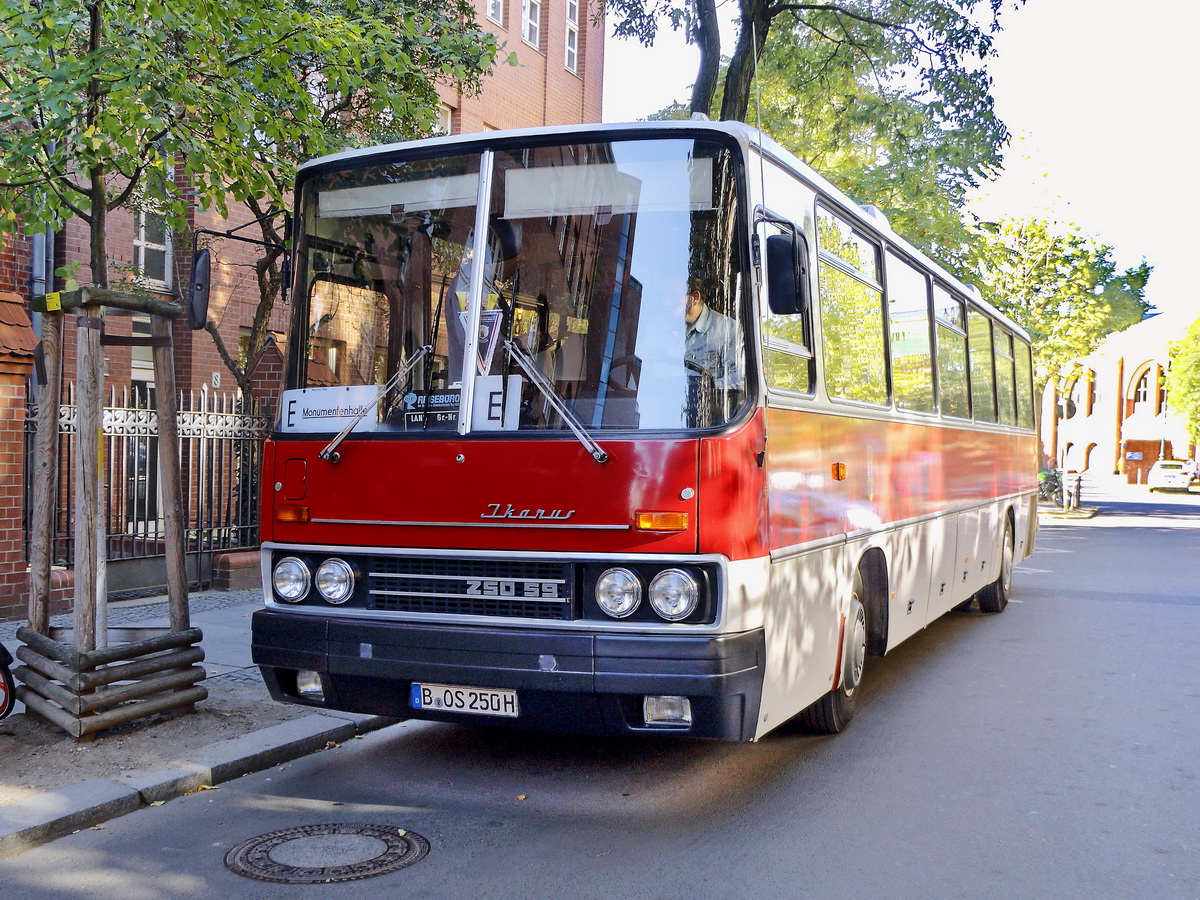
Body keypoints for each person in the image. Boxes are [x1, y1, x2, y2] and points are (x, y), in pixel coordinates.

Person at [683, 277, 742, 390]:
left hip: (708, 399)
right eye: (663, 296)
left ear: (695, 298)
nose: (665, 303)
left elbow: (740, 378)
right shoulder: (657, 327)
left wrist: (708, 387)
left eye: (672, 296)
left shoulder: (728, 330)